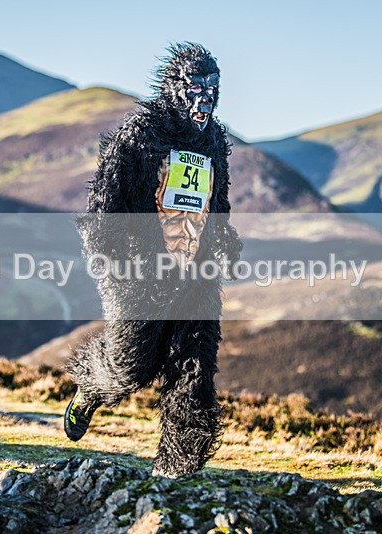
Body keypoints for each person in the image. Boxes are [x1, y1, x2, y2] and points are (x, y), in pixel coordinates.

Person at [64, 44, 242, 477]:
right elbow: (103, 208)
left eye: (213, 89)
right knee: (132, 368)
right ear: (174, 88)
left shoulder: (215, 140)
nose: (205, 99)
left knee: (195, 370)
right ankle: (90, 389)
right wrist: (117, 264)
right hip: (138, 272)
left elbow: (215, 199)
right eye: (196, 88)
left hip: (196, 274)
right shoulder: (140, 135)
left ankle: (178, 470)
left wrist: (223, 238)